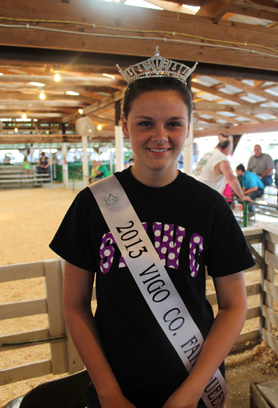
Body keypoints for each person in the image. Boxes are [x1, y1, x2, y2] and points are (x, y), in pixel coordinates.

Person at [50, 47, 255, 408]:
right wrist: (109, 393)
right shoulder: (93, 203)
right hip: (114, 388)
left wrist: (190, 393)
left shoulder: (209, 207)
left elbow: (234, 305)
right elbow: (75, 304)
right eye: (146, 122)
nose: (160, 135)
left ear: (188, 129)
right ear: (126, 125)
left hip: (195, 386)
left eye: (173, 123)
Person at [192, 140, 252, 204]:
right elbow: (231, 178)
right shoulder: (221, 158)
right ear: (227, 148)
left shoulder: (208, 154)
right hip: (203, 194)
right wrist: (242, 197)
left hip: (193, 189)